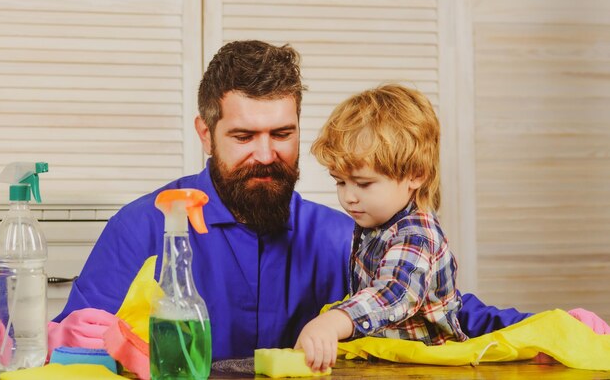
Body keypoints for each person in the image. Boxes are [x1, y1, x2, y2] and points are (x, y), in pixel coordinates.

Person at [50, 40, 531, 360]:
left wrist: (547, 326)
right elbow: (70, 348)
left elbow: (430, 305)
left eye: (282, 133)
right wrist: (63, 340)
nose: (266, 154)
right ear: (205, 133)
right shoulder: (141, 227)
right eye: (243, 136)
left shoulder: (345, 233)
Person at [295, 84, 467, 372]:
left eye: (363, 184)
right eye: (340, 182)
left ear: (416, 175)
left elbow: (394, 292)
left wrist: (335, 321)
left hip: (427, 369)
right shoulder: (375, 224)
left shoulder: (416, 234)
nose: (348, 196)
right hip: (389, 363)